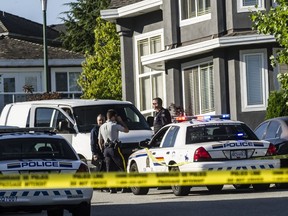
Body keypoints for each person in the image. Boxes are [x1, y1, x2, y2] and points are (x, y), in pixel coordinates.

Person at [98, 109, 129, 193]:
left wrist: (102, 149)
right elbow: (126, 130)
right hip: (114, 148)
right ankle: (125, 186)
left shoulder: (102, 126)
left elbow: (100, 141)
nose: (116, 118)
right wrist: (121, 121)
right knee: (122, 166)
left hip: (106, 149)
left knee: (109, 169)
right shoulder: (114, 125)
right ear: (113, 116)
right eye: (115, 116)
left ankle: (112, 188)